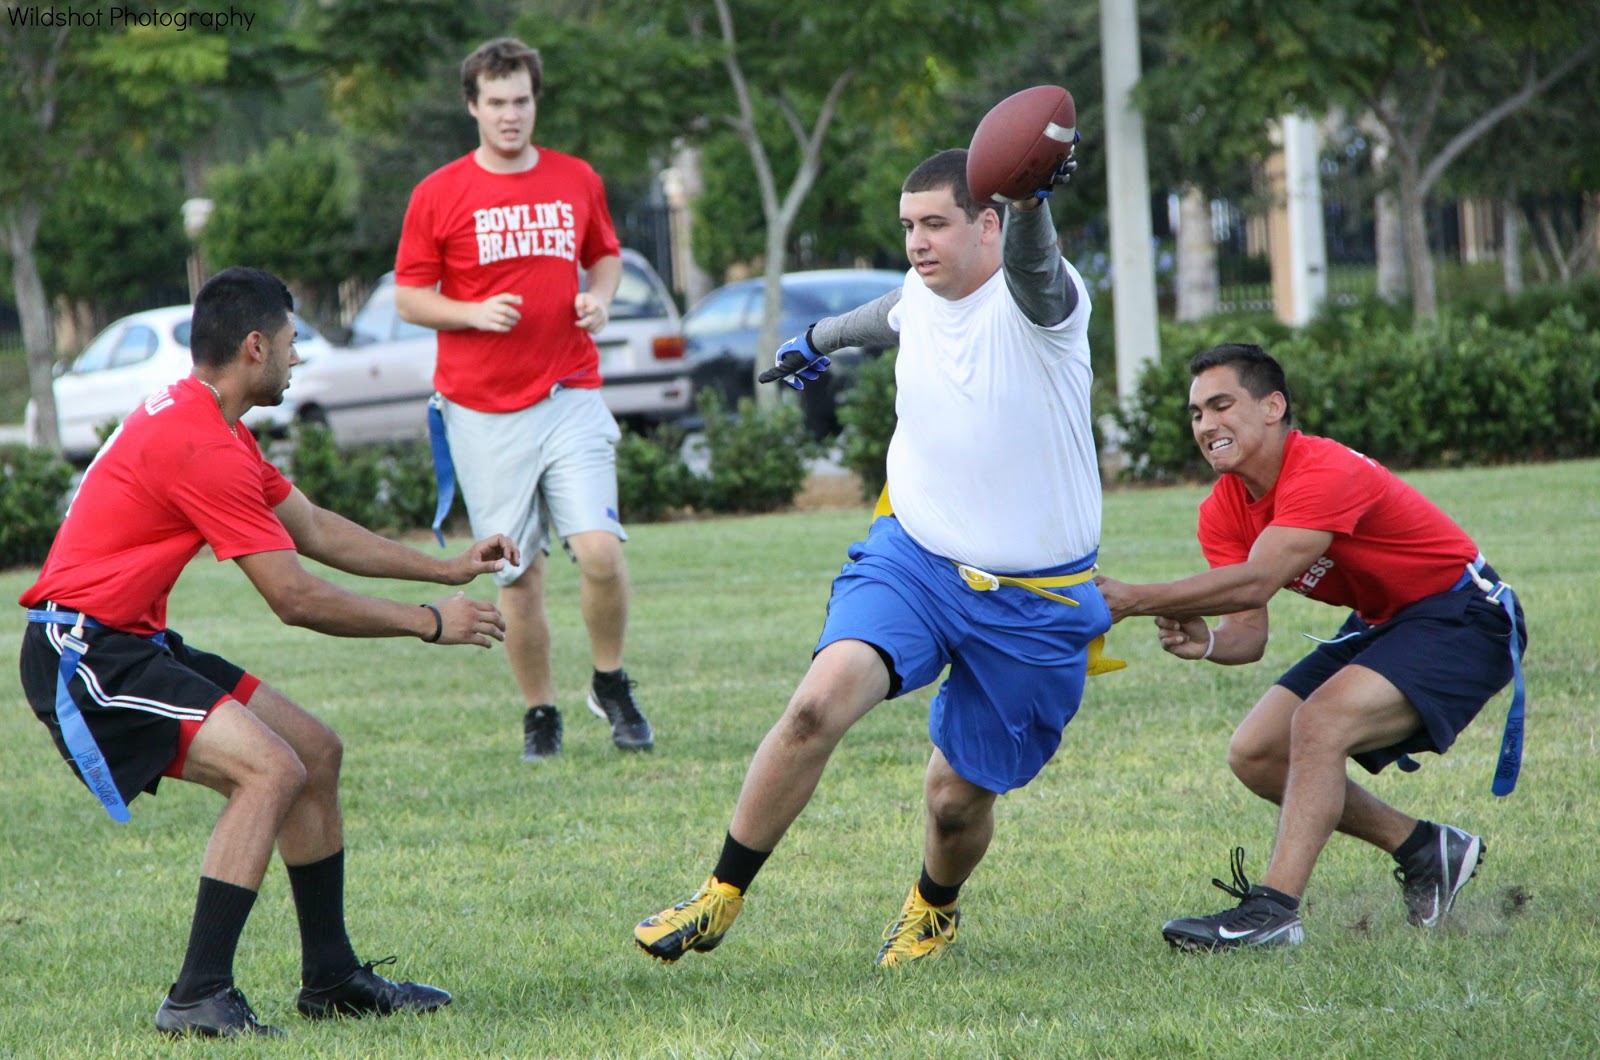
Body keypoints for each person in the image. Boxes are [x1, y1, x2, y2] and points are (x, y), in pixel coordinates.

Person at [633, 145, 1111, 968]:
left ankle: (934, 906)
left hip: (1036, 599)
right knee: (814, 707)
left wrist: (1031, 199)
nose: (917, 242)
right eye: (908, 225)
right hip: (914, 559)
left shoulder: (1044, 303)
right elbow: (884, 313)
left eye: (936, 224)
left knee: (954, 801)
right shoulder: (921, 294)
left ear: (988, 224)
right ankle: (719, 894)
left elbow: (1036, 266)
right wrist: (813, 340)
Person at [19, 267, 520, 1037]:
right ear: (255, 346)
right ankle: (197, 995)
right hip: (83, 653)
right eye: (291, 343)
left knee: (313, 752)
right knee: (271, 769)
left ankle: (332, 979)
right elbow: (295, 598)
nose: (297, 358)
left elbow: (312, 528)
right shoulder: (201, 443)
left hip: (127, 638)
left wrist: (445, 569)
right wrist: (427, 621)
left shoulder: (214, 423)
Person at [1095, 343, 1527, 951]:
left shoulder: (1322, 469)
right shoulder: (1222, 509)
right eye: (1196, 413)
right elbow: (1248, 634)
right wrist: (1209, 640)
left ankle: (1273, 913)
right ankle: (1426, 849)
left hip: (1466, 616)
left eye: (1222, 405)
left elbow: (1257, 579)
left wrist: (1134, 598)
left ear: (1273, 406)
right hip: (1385, 621)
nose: (1206, 424)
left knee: (1318, 723)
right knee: (1255, 752)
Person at [393, 36, 651, 762]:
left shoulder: (576, 178)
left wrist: (600, 299)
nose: (511, 115)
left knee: (600, 552)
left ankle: (610, 681)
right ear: (473, 106)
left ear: (536, 102)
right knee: (517, 573)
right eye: (497, 102)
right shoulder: (438, 192)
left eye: (522, 101)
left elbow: (604, 256)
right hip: (481, 410)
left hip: (569, 390)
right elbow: (410, 298)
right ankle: (541, 712)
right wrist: (471, 314)